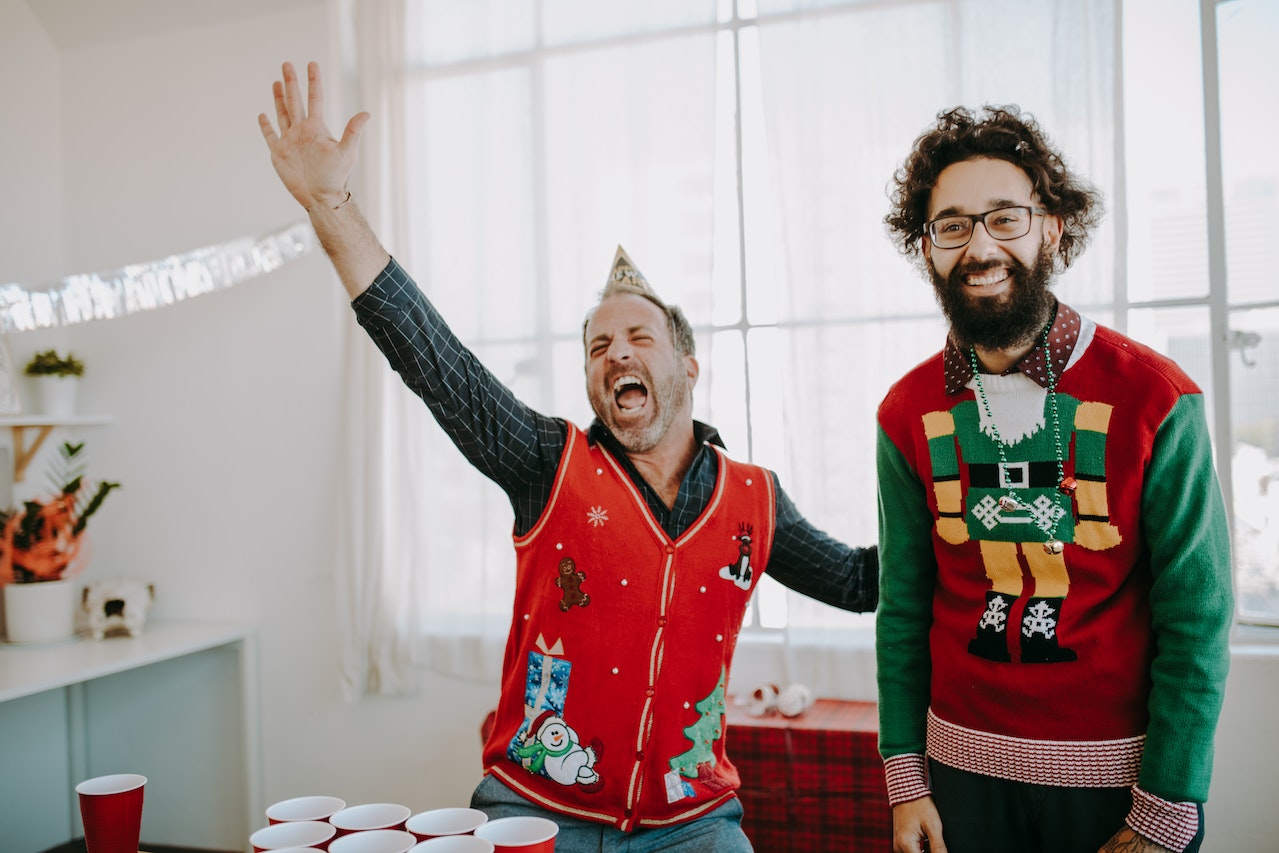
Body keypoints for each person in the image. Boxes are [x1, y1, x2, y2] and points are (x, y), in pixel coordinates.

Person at [258, 61, 878, 852]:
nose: (615, 353)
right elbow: (431, 358)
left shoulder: (753, 500)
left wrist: (976, 516)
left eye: (638, 338)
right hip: (533, 809)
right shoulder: (548, 463)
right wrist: (329, 205)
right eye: (597, 346)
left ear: (687, 366)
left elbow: (863, 581)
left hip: (692, 825)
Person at [874, 104, 1233, 853]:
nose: (979, 246)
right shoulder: (903, 410)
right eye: (951, 225)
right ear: (927, 248)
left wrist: (1165, 806)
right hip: (955, 784)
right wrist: (906, 780)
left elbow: (1196, 618)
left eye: (1005, 218)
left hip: (1119, 790)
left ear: (1051, 229)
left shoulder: (1157, 398)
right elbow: (902, 606)